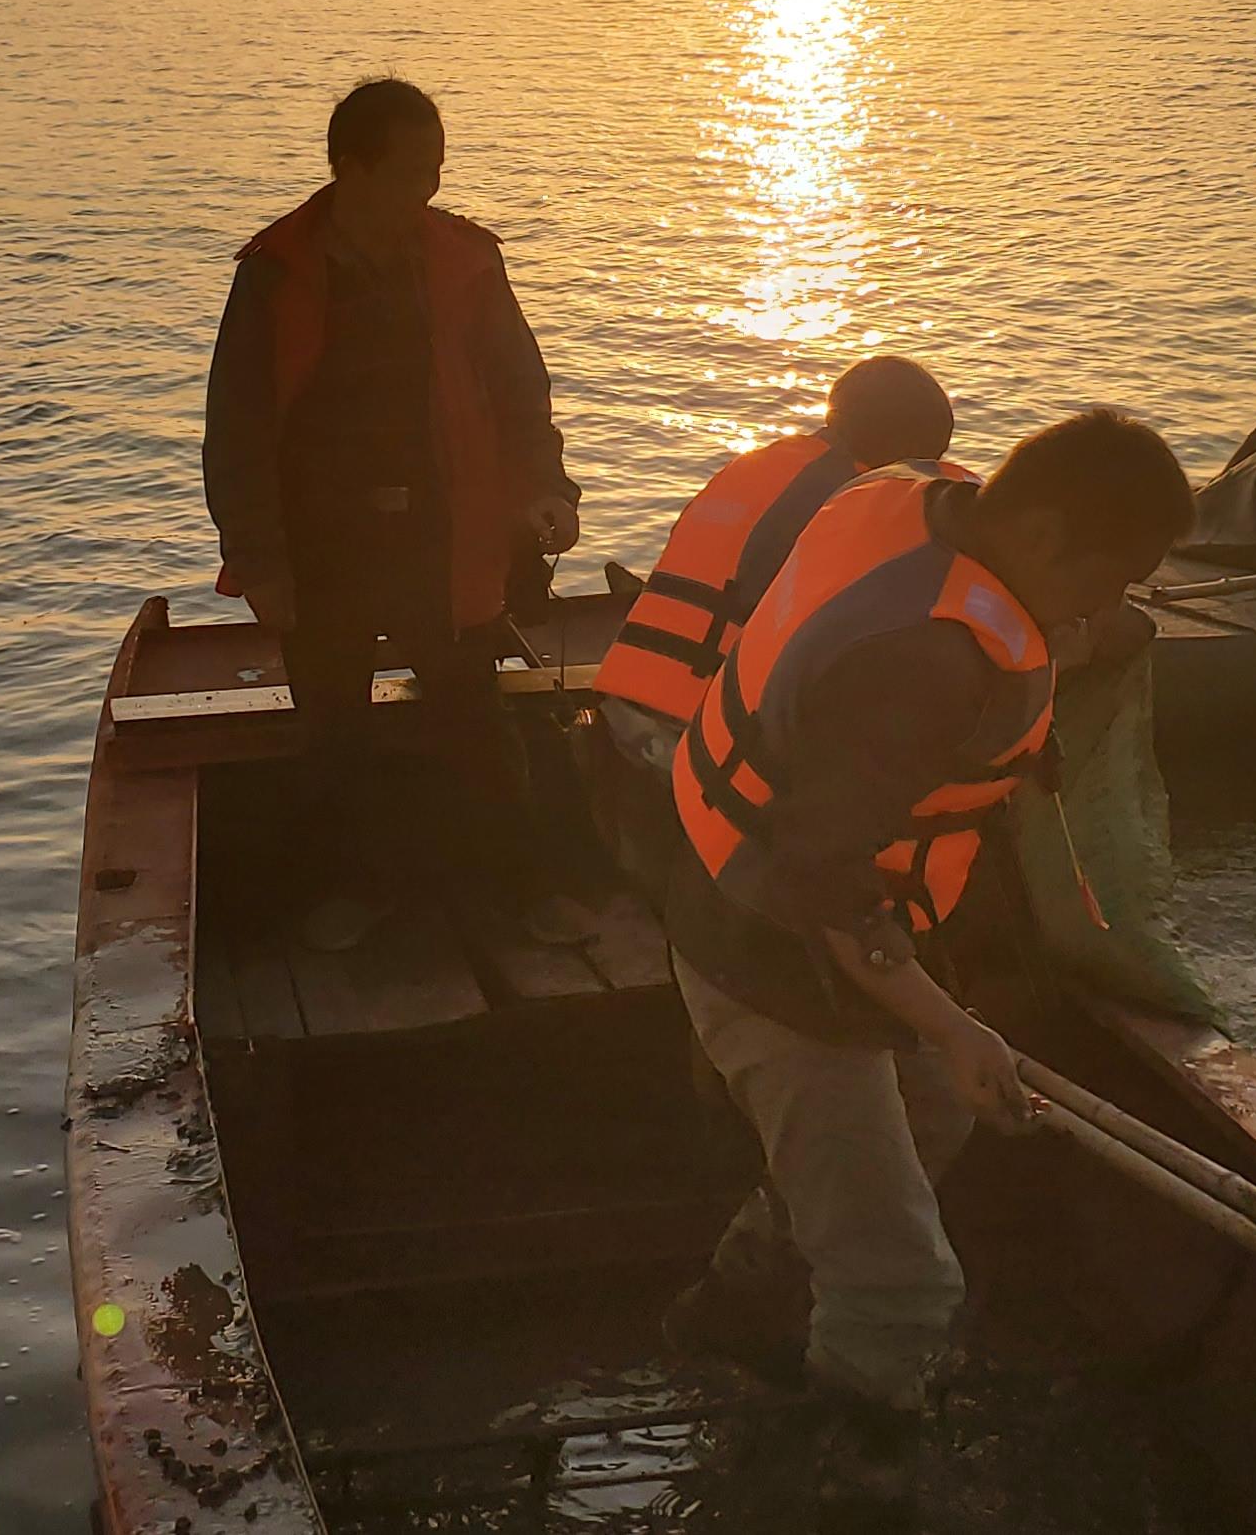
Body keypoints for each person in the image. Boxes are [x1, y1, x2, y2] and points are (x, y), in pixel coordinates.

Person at [648, 409, 1194, 1499]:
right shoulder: (925, 668)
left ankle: (731, 1312)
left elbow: (1029, 614)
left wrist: (1089, 634)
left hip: (809, 916)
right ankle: (859, 1468)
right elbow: (821, 881)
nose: (1109, 607)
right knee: (903, 1280)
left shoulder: (920, 490)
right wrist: (952, 1024)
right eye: (1107, 579)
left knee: (936, 1118)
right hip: (770, 951)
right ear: (1040, 536)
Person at [203, 78, 580, 932]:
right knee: (333, 731)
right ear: (348, 168)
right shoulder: (275, 273)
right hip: (322, 537)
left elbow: (522, 393)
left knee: (473, 720)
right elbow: (236, 429)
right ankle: (350, 901)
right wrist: (261, 559)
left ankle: (519, 894)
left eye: (437, 171)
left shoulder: (468, 259)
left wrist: (548, 490)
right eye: (411, 173)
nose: (429, 192)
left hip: (443, 529)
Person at [594, 354, 960, 783]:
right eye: (926, 459)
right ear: (903, 446)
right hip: (700, 741)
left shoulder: (750, 467)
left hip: (619, 710)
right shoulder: (858, 502)